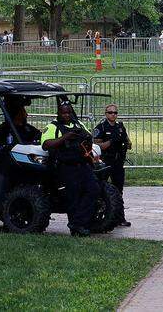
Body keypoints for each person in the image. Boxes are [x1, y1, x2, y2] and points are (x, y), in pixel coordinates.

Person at [41, 101, 101, 236]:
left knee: (93, 190)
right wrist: (65, 137)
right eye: (64, 112)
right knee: (72, 197)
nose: (67, 115)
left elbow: (88, 137)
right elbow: (46, 144)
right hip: (66, 167)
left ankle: (80, 222)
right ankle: (76, 227)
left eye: (69, 112)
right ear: (59, 113)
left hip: (83, 164)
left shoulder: (78, 124)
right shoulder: (52, 126)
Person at [93, 103, 132, 227]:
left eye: (115, 112)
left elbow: (128, 142)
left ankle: (120, 218)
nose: (113, 115)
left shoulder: (120, 127)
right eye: (110, 112)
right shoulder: (101, 127)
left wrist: (126, 143)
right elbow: (96, 145)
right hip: (104, 162)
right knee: (101, 189)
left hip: (118, 162)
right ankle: (99, 215)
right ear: (106, 114)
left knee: (118, 191)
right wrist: (111, 142)